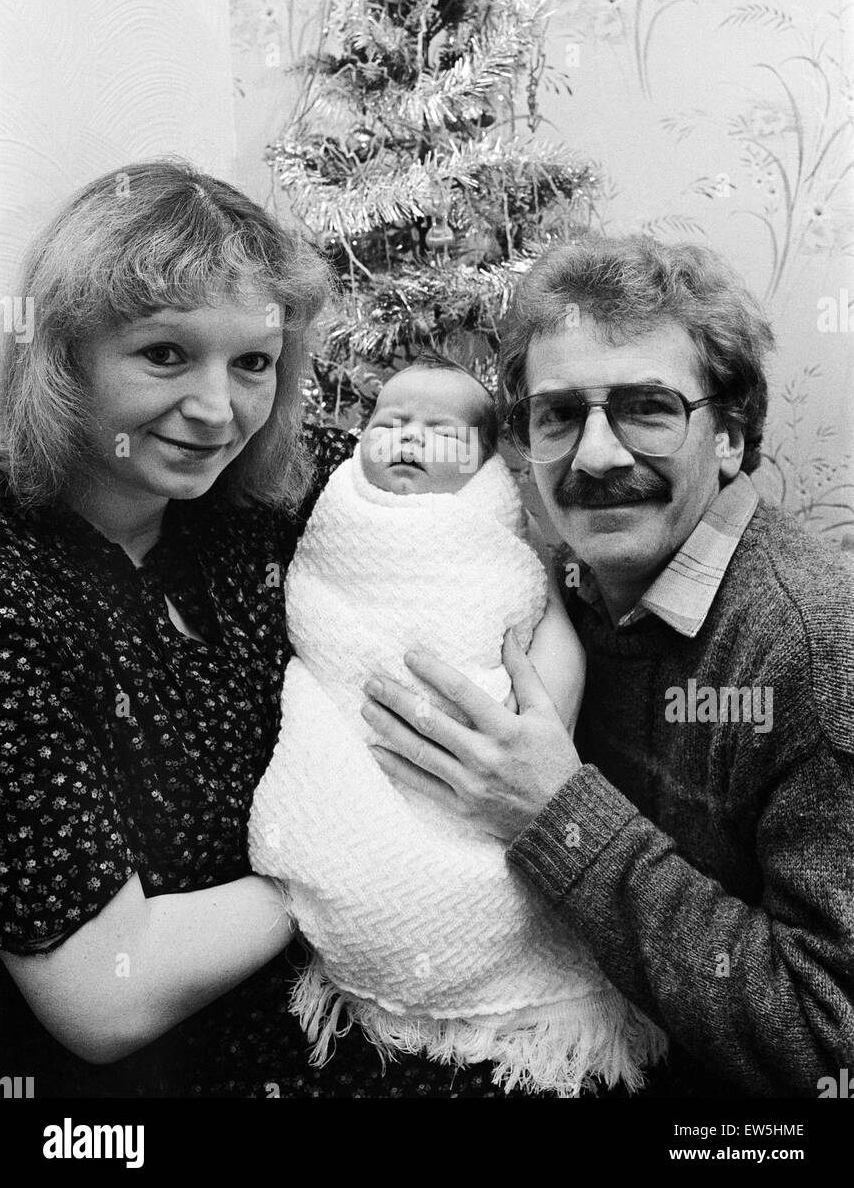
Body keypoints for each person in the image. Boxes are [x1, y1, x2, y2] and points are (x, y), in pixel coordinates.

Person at [0, 160, 523, 1098]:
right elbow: (100, 1000)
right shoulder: (14, 594)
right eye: (164, 354)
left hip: (347, 1011)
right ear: (64, 356)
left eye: (253, 363)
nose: (218, 410)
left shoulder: (269, 502)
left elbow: (470, 505)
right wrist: (361, 856)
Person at [361, 234, 854, 1098]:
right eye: (558, 416)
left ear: (730, 436)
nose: (595, 456)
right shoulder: (551, 591)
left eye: (646, 408)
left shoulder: (811, 655)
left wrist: (559, 815)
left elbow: (829, 1042)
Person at [249, 353, 665, 1096]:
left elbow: (529, 615)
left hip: (480, 759)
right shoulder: (334, 512)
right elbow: (318, 621)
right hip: (353, 736)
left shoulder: (490, 531)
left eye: (440, 433)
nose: (408, 440)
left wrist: (543, 706)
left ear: (481, 465)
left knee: (490, 866)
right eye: (389, 423)